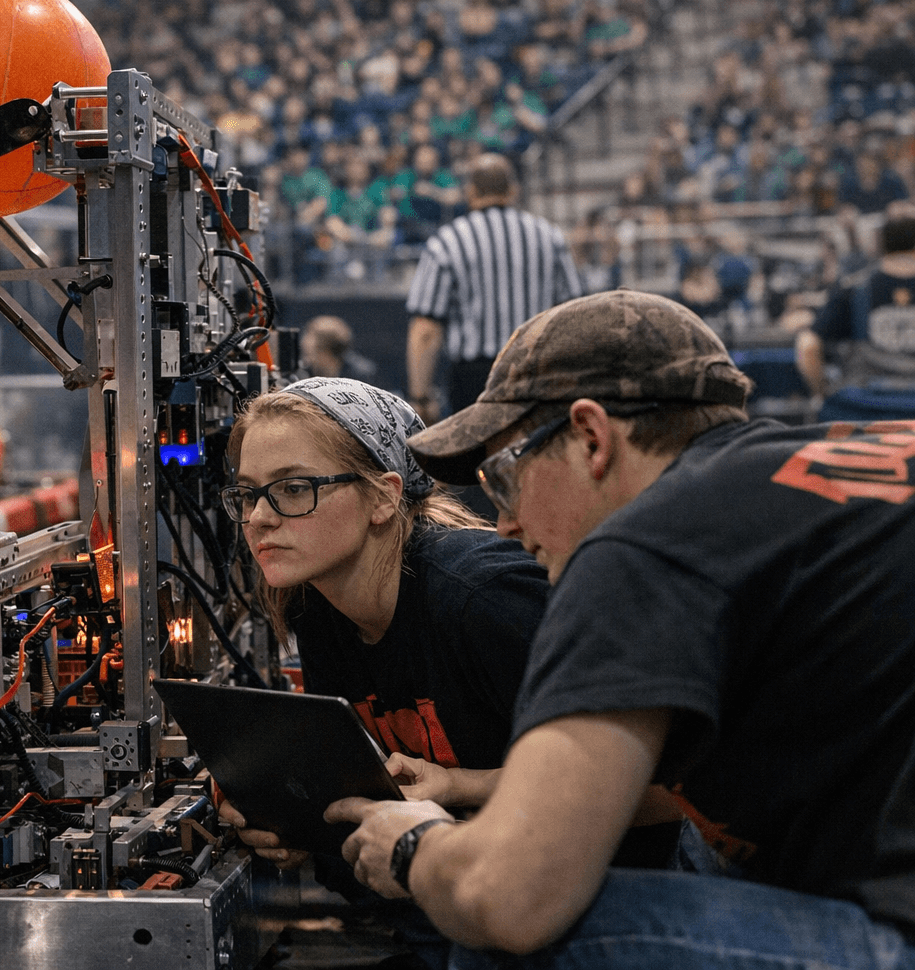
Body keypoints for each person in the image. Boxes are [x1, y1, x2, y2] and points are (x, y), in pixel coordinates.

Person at [328, 290, 915, 969]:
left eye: (504, 479)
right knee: (706, 838)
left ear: (591, 437)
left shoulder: (646, 539)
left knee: (504, 942)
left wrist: (413, 848)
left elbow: (511, 898)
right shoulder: (821, 471)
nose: (506, 524)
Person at [215, 378, 686, 899]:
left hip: (605, 899)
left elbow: (669, 789)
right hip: (471, 902)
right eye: (247, 493)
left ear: (383, 497)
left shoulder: (483, 599)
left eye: (293, 489)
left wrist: (466, 786)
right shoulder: (316, 605)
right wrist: (303, 824)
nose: (258, 518)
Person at [404, 152, 585, 426]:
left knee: (476, 464)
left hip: (475, 381)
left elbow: (426, 331)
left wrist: (420, 397)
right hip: (536, 374)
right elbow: (573, 317)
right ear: (513, 190)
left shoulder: (448, 241)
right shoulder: (549, 237)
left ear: (470, 192)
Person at [796, 200, 915, 420]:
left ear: (882, 244)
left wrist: (822, 393)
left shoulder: (855, 288)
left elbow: (807, 345)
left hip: (867, 415)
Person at [299, 315, 379, 384]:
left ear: (324, 351)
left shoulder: (359, 375)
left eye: (309, 353)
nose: (306, 359)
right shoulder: (302, 374)